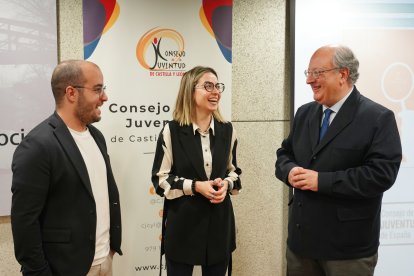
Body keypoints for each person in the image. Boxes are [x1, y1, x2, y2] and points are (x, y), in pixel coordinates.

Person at [275, 45, 402, 276]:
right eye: (308, 73)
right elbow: (284, 154)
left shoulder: (378, 118)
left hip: (348, 251)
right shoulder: (304, 113)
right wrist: (289, 170)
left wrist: (321, 181)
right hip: (301, 247)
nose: (309, 81)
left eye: (317, 73)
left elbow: (381, 175)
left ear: (342, 75)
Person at [11, 60, 122, 276]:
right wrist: (39, 272)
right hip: (64, 268)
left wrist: (110, 249)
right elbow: (25, 222)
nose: (105, 97)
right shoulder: (38, 145)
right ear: (71, 93)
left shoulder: (97, 137)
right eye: (98, 89)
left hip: (105, 261)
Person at [151, 66, 242, 276]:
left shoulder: (227, 131)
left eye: (218, 86)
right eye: (208, 86)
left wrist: (227, 184)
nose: (216, 91)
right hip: (183, 228)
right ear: (189, 91)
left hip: (219, 226)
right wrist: (194, 186)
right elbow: (160, 180)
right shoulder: (171, 131)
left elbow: (235, 173)